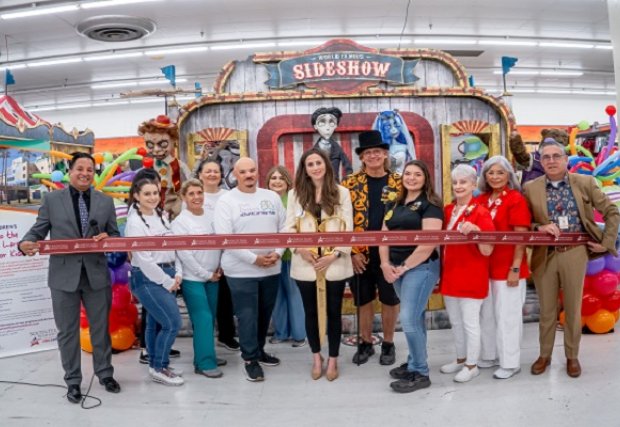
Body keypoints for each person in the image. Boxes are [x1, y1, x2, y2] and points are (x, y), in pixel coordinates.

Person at [19, 152, 121, 403]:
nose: (85, 173)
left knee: (100, 329)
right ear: (70, 171)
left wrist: (110, 239)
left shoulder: (105, 202)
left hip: (96, 275)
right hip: (63, 276)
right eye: (80, 168)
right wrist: (26, 243)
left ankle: (105, 373)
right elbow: (38, 231)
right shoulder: (52, 200)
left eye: (90, 169)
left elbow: (117, 237)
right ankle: (73, 381)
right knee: (67, 332)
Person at [524, 139, 620, 378]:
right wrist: (538, 227)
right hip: (545, 255)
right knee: (546, 310)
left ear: (566, 160)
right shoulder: (531, 187)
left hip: (575, 253)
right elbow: (524, 223)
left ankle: (572, 356)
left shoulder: (585, 182)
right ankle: (544, 355)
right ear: (541, 161)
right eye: (546, 157)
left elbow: (612, 211)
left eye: (556, 156)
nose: (552, 161)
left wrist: (606, 243)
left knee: (573, 308)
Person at [213, 157, 286, 382]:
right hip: (241, 271)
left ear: (257, 171)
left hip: (271, 268)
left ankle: (259, 350)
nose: (248, 175)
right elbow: (225, 238)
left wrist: (278, 253)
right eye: (243, 172)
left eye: (252, 170)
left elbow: (284, 228)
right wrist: (254, 259)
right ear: (235, 174)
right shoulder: (226, 201)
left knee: (264, 315)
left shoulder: (271, 197)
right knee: (247, 316)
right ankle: (250, 359)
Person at [285, 149, 353, 381]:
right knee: (311, 313)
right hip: (306, 265)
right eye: (310, 164)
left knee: (334, 312)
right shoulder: (295, 194)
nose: (315, 167)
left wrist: (334, 255)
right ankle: (317, 357)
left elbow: (348, 227)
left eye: (318, 162)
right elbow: (288, 229)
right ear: (304, 169)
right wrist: (300, 249)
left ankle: (333, 359)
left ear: (326, 165)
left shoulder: (341, 193)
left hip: (333, 264)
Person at [379, 160, 443, 393]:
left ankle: (421, 372)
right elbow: (383, 236)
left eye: (417, 174)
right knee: (415, 318)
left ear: (425, 178)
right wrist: (385, 264)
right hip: (397, 269)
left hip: (420, 268)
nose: (412, 178)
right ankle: (415, 362)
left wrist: (403, 267)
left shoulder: (431, 205)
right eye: (408, 174)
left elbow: (429, 244)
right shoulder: (395, 203)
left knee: (407, 319)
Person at [341, 130, 402, 366]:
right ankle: (365, 343)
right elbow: (344, 220)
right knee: (363, 300)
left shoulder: (399, 182)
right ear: (362, 157)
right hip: (361, 254)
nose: (373, 156)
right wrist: (353, 252)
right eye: (368, 152)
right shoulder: (349, 183)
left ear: (385, 154)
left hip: (391, 253)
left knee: (390, 299)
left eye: (377, 151)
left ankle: (388, 343)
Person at [125, 176, 184, 386]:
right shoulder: (134, 223)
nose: (152, 197)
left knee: (157, 322)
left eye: (155, 193)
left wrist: (178, 273)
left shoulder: (162, 215)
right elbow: (143, 259)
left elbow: (173, 246)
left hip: (168, 273)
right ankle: (160, 366)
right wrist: (167, 281)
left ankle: (156, 364)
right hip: (148, 279)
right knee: (172, 323)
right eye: (147, 194)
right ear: (136, 196)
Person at [477, 156, 531, 379]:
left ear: (509, 175)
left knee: (508, 316)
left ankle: (510, 362)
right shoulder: (481, 200)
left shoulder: (516, 199)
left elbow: (522, 237)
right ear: (485, 176)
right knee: (487, 315)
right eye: (491, 172)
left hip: (508, 268)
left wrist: (515, 268)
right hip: (484, 269)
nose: (495, 176)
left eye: (500, 172)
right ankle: (490, 355)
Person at [439, 164, 495, 383]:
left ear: (473, 184)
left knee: (471, 323)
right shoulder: (447, 210)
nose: (459, 186)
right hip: (451, 274)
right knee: (456, 322)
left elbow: (488, 250)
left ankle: (472, 365)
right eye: (455, 182)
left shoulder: (481, 212)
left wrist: (477, 232)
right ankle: (461, 359)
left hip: (471, 275)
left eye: (463, 182)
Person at [172, 179, 224, 378]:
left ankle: (206, 353)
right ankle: (204, 363)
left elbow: (219, 242)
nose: (196, 197)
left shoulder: (212, 216)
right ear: (184, 198)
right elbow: (184, 255)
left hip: (214, 276)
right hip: (193, 278)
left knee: (209, 319)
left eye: (199, 192)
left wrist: (219, 267)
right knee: (203, 318)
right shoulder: (179, 223)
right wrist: (206, 274)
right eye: (191, 194)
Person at [195, 159, 240, 352]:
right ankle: (203, 340)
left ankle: (226, 335)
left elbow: (235, 225)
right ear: (200, 175)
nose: (212, 174)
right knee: (203, 302)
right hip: (200, 257)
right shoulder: (195, 196)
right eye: (208, 171)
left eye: (216, 171)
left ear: (221, 175)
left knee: (226, 298)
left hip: (226, 255)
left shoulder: (229, 196)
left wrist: (225, 255)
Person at [266, 165, 307, 347]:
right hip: (271, 257)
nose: (277, 181)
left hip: (293, 256)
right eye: (273, 178)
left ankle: (299, 334)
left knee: (294, 295)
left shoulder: (295, 199)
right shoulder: (264, 200)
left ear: (287, 182)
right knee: (277, 297)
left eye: (281, 178)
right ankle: (281, 332)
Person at [138, 115, 191, 219]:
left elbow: (188, 188)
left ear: (173, 141)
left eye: (162, 144)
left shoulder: (179, 166)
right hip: (150, 213)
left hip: (175, 213)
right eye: (150, 145)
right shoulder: (147, 166)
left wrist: (177, 210)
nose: (156, 149)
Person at [311, 107, 353, 181]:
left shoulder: (337, 149)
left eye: (331, 122)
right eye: (322, 122)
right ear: (315, 126)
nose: (327, 127)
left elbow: (348, 168)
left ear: (336, 125)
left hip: (335, 186)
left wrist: (344, 183)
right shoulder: (312, 151)